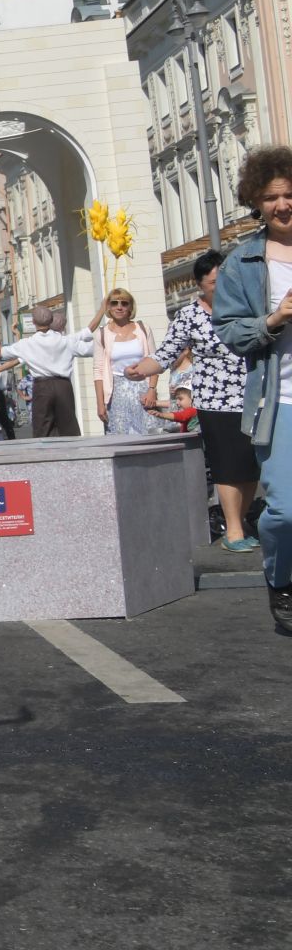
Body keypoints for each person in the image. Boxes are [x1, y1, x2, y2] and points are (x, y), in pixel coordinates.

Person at [212, 146, 292, 634]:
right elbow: (231, 332)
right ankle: (281, 577)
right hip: (279, 402)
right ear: (256, 202)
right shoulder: (243, 261)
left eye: (290, 194)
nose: (283, 204)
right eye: (271, 197)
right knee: (283, 509)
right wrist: (275, 318)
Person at [129, 249, 256, 552]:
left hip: (253, 395)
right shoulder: (189, 315)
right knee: (227, 464)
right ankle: (234, 530)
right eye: (214, 282)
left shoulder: (248, 307)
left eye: (226, 278)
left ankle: (242, 520)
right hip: (215, 399)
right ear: (200, 284)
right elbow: (165, 355)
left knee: (251, 464)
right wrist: (138, 370)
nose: (222, 286)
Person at [0, 307, 94, 437]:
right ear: (51, 320)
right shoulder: (66, 340)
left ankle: (45, 454)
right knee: (68, 425)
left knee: (42, 426)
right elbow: (91, 349)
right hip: (63, 386)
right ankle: (73, 452)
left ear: (34, 322)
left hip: (42, 387)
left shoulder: (28, 343)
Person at [91, 288, 157, 435]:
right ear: (108, 307)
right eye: (114, 303)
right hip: (116, 392)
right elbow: (98, 371)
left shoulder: (143, 329)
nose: (119, 307)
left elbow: (155, 361)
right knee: (120, 437)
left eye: (124, 303)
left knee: (149, 435)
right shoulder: (101, 334)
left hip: (143, 389)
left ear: (130, 307)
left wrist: (152, 390)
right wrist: (100, 403)